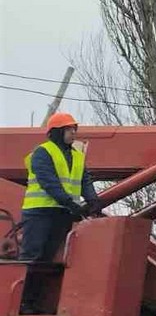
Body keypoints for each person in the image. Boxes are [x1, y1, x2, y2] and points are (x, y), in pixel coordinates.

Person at [20, 111, 101, 263]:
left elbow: (85, 181)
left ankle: (39, 286)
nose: (73, 133)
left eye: (74, 129)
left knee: (49, 259)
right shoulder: (42, 152)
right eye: (69, 129)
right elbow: (49, 182)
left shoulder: (77, 156)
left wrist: (94, 201)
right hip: (39, 213)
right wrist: (71, 204)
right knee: (32, 257)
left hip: (62, 213)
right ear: (57, 132)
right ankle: (26, 285)